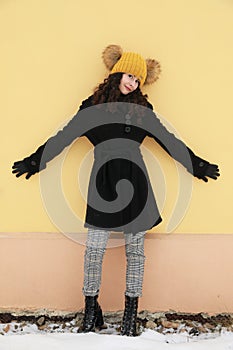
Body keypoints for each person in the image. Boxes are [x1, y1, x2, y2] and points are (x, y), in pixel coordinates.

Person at [12, 44, 220, 336]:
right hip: (103, 183)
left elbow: (168, 140)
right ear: (116, 73)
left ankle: (129, 316)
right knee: (94, 251)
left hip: (137, 183)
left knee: (135, 252)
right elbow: (65, 136)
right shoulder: (93, 107)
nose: (131, 82)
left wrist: (197, 165)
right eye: (128, 75)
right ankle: (91, 311)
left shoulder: (142, 111)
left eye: (137, 79)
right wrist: (36, 161)